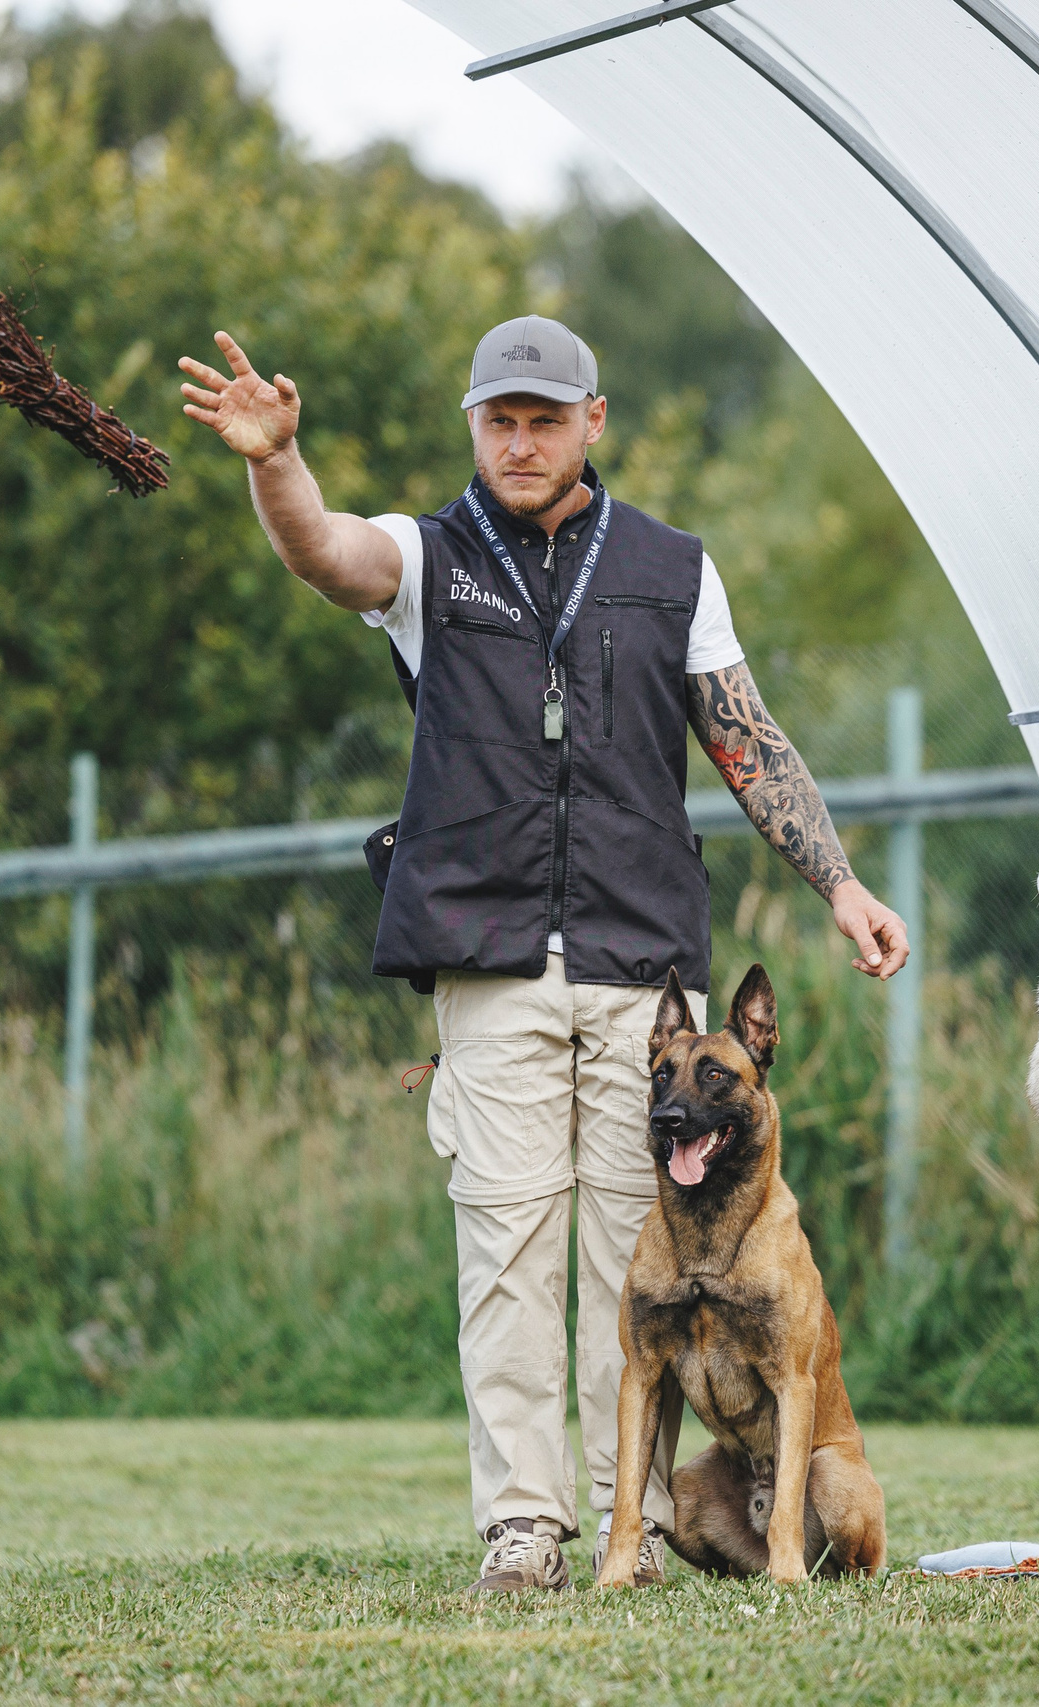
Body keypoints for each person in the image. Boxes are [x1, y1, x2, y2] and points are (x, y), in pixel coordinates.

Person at [179, 315, 908, 1594]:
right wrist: (271, 465)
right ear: (474, 425)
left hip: (645, 986)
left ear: (592, 423)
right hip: (487, 960)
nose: (518, 443)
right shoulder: (427, 555)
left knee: (644, 1272)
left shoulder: (675, 566)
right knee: (506, 1254)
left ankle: (626, 1524)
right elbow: (327, 553)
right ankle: (527, 1528)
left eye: (543, 420)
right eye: (498, 421)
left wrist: (838, 882)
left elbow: (749, 740)